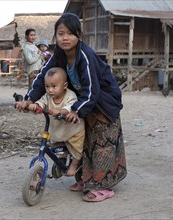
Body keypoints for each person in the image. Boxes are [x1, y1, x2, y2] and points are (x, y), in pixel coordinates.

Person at [16, 13, 127, 202]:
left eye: (70, 33)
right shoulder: (58, 56)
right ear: (55, 36)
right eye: (60, 34)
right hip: (85, 101)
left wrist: (75, 110)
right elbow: (43, 77)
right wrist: (29, 99)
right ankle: (86, 179)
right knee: (82, 139)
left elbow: (92, 89)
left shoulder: (86, 55)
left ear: (79, 35)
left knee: (100, 143)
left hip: (104, 102)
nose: (65, 38)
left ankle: (103, 186)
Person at [28, 67, 85, 176]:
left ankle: (74, 165)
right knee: (58, 146)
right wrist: (35, 105)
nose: (50, 90)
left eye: (54, 86)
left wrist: (60, 111)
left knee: (77, 148)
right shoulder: (47, 96)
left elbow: (71, 106)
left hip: (73, 130)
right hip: (58, 128)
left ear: (64, 86)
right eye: (47, 86)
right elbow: (42, 102)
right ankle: (62, 159)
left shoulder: (70, 95)